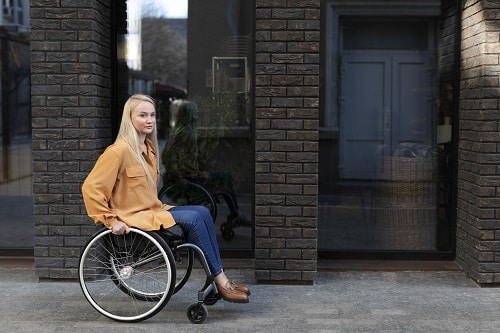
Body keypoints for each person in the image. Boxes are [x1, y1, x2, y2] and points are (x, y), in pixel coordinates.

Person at [81, 94, 250, 303]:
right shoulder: (117, 152)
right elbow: (91, 188)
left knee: (203, 211)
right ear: (130, 118)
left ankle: (220, 278)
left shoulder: (148, 149)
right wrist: (111, 220)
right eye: (142, 115)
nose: (149, 120)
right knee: (195, 219)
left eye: (152, 115)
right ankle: (221, 282)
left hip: (154, 209)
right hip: (135, 216)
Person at [161, 100, 251, 228]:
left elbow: (167, 157)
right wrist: (193, 175)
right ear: (189, 116)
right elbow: (177, 161)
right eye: (195, 114)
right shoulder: (185, 134)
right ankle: (235, 214)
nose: (197, 117)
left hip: (187, 176)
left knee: (224, 178)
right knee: (226, 178)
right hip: (189, 179)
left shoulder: (176, 133)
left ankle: (235, 213)